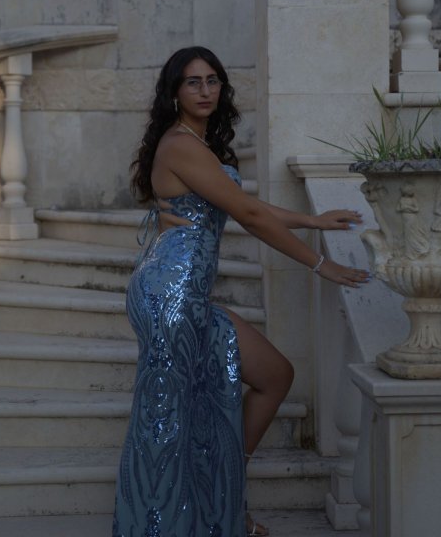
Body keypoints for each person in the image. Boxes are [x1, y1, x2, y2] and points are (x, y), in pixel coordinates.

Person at [111, 47, 371, 537]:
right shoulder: (180, 144)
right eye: (193, 82)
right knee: (171, 417)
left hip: (188, 294)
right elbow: (249, 216)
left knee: (275, 375)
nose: (205, 90)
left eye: (212, 80)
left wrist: (312, 220)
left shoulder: (198, 142)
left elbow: (243, 205)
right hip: (168, 295)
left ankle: (222, 497)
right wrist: (320, 263)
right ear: (174, 92)